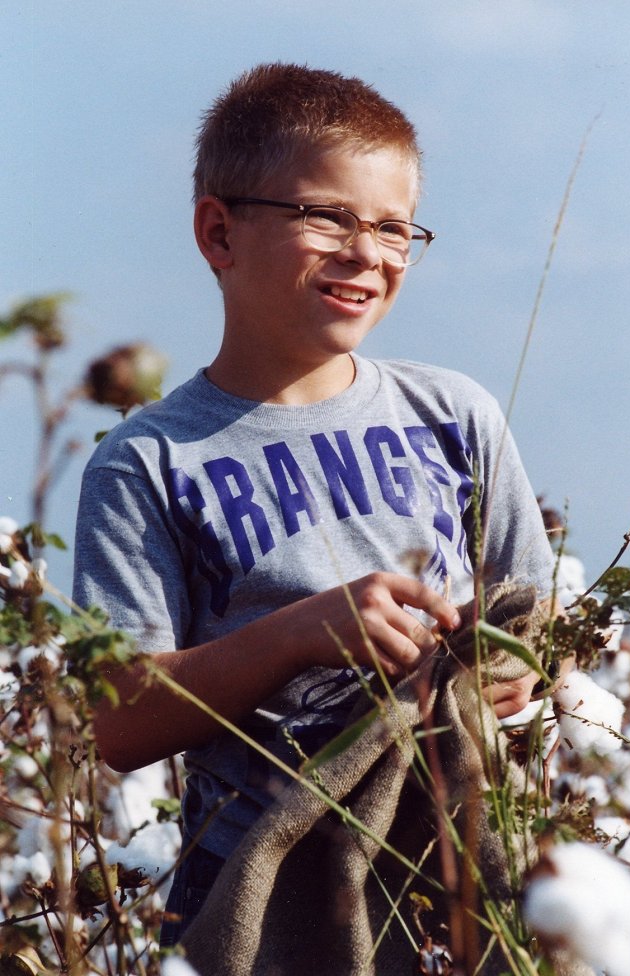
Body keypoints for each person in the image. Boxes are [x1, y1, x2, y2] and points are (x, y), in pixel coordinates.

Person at [72, 63, 555, 949]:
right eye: (326, 216)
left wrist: (493, 668)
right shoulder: (146, 460)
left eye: (393, 227)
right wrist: (303, 632)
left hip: (453, 880)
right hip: (261, 904)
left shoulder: (454, 414)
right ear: (218, 233)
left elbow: (530, 638)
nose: (366, 252)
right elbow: (119, 720)